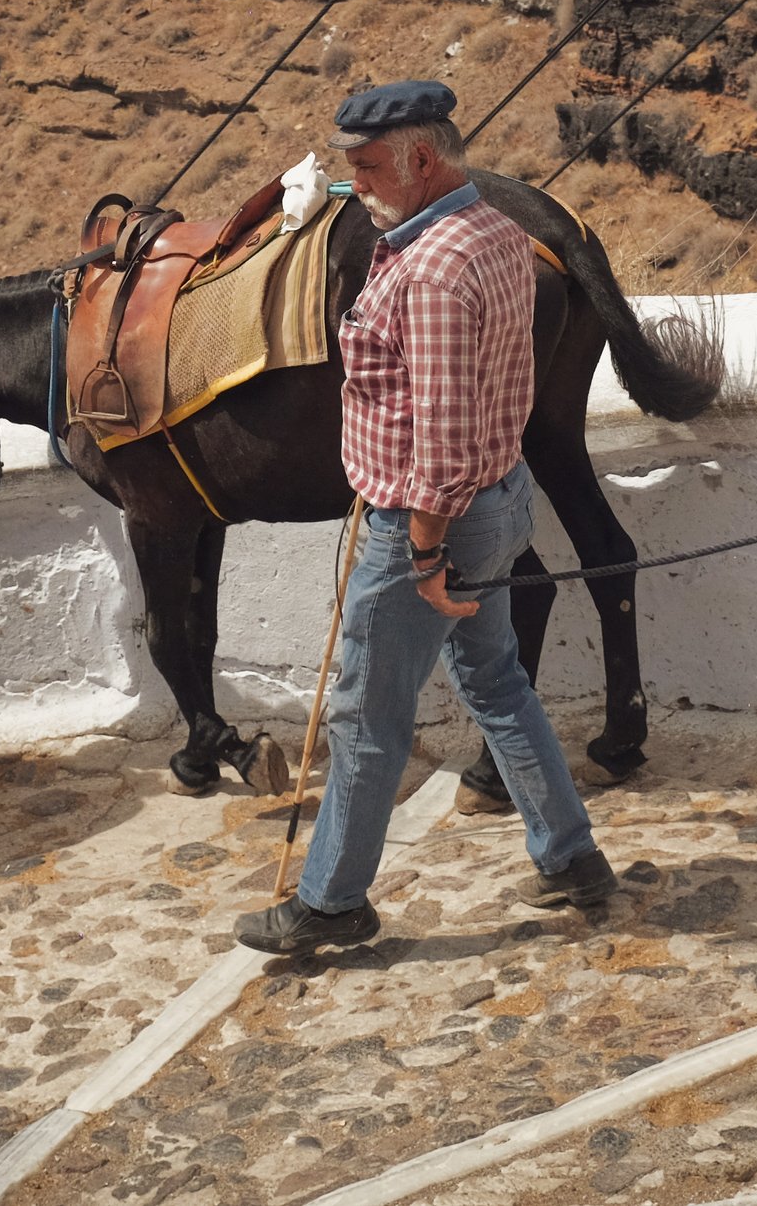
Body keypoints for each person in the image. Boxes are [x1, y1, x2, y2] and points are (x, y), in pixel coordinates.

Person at [235, 79, 618, 956]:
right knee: (495, 682)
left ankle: (332, 901)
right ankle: (569, 857)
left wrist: (422, 553)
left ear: (421, 157)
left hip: (427, 518)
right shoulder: (491, 228)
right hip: (501, 496)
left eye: (367, 166)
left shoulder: (437, 270)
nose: (354, 183)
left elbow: (440, 435)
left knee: (367, 718)